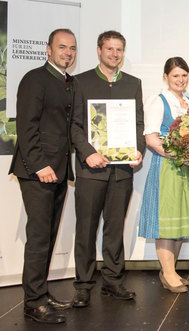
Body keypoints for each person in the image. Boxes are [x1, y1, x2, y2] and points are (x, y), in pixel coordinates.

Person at [70, 30, 144, 307]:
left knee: (114, 228)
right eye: (110, 49)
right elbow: (75, 126)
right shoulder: (81, 81)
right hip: (91, 170)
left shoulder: (133, 84)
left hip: (122, 171)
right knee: (86, 229)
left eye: (119, 50)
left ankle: (113, 281)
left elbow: (138, 123)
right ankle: (84, 284)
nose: (114, 54)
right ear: (99, 50)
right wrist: (88, 153)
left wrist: (138, 150)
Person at [9, 28, 76, 324]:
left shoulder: (67, 83)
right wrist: (39, 166)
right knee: (38, 238)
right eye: (62, 47)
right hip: (38, 172)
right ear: (48, 49)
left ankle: (40, 292)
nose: (68, 52)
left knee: (47, 236)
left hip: (59, 171)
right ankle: (33, 303)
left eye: (72, 48)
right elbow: (26, 127)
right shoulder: (34, 79)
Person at [138, 57, 189, 293]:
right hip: (168, 167)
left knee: (181, 221)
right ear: (166, 77)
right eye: (175, 76)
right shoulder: (158, 101)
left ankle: (171, 270)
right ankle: (168, 272)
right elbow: (151, 138)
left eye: (184, 75)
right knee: (166, 222)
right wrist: (178, 155)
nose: (180, 80)